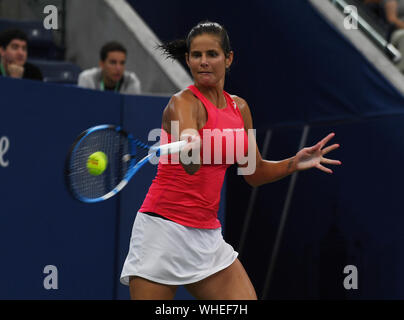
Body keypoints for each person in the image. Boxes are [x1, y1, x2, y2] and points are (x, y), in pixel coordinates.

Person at [120, 21, 341, 300]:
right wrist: (191, 144)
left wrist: (293, 163)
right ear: (187, 59)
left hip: (207, 237)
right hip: (162, 232)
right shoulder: (182, 103)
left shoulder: (240, 108)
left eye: (212, 54)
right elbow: (190, 165)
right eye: (196, 55)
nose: (203, 62)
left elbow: (254, 172)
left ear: (228, 58)